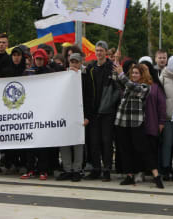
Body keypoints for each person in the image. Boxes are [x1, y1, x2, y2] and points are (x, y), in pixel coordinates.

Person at [113, 63, 164, 188]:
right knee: (125, 150)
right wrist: (116, 63)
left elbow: (133, 88)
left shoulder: (145, 87)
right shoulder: (126, 83)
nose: (134, 75)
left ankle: (156, 175)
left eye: (137, 73)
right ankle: (129, 176)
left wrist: (121, 74)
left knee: (144, 149)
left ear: (142, 75)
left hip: (136, 122)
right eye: (133, 73)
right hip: (122, 121)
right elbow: (116, 79)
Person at [84, 41, 120, 181]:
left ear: (106, 52)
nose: (99, 53)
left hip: (107, 112)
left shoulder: (112, 67)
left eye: (101, 50)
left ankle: (106, 170)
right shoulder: (90, 67)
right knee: (93, 142)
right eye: (97, 50)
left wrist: (110, 103)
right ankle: (96, 168)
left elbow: (119, 88)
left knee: (106, 141)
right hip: (93, 112)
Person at [21, 49, 54, 180]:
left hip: (44, 112)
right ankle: (30, 169)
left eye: (41, 59)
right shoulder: (27, 72)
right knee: (30, 144)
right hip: (30, 112)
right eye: (37, 59)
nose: (39, 61)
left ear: (44, 59)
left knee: (43, 144)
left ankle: (43, 170)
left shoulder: (50, 72)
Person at [57, 53, 89, 182]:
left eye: (76, 62)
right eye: (72, 62)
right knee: (64, 142)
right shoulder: (62, 77)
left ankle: (77, 170)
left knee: (77, 143)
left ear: (81, 63)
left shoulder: (85, 77)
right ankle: (67, 169)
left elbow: (89, 98)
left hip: (79, 115)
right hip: (64, 114)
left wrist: (88, 116)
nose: (74, 65)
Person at [139, 61, 167, 182]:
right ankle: (141, 171)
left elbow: (162, 106)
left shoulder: (156, 87)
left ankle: (153, 172)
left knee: (152, 147)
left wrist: (161, 122)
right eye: (142, 69)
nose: (144, 72)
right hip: (138, 123)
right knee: (139, 148)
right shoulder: (135, 85)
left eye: (146, 69)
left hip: (152, 122)